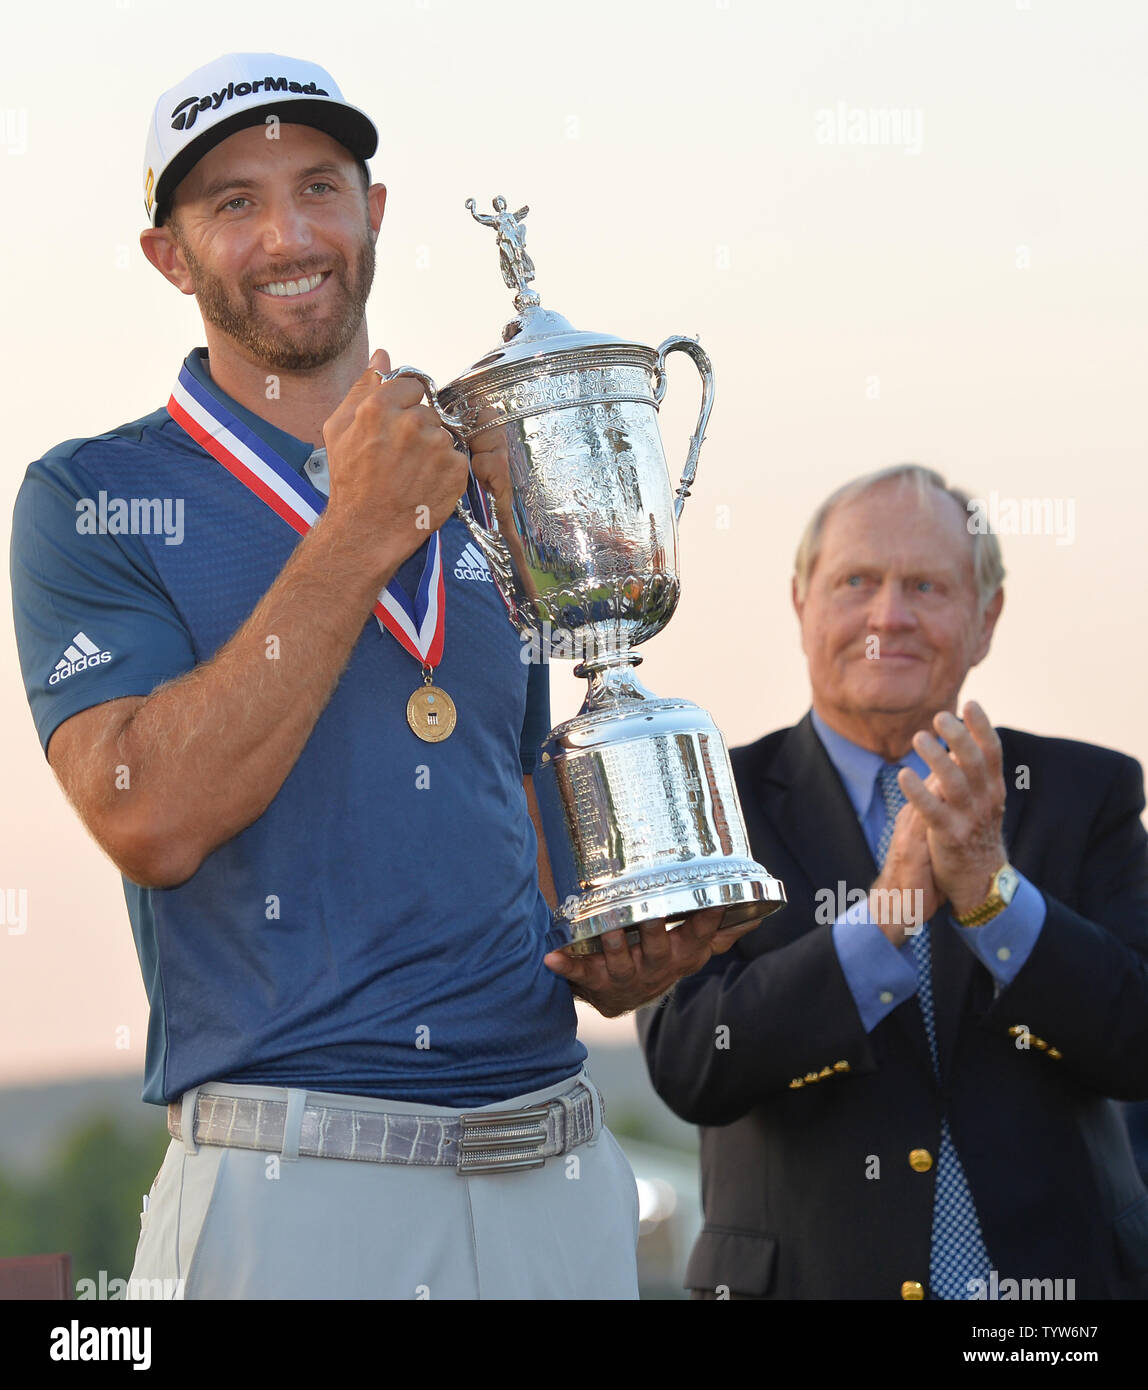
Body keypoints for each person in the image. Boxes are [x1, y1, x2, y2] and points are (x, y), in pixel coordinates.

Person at [9, 51, 746, 1300]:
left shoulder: (486, 465)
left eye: (318, 187)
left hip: (556, 1166)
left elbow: (506, 780)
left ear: (375, 212)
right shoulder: (93, 496)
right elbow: (147, 813)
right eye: (233, 203)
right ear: (168, 256)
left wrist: (604, 929)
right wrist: (354, 530)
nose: (289, 233)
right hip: (296, 1188)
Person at [639, 464, 1148, 1300]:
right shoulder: (707, 803)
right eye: (856, 582)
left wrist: (993, 895)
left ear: (986, 619)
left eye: (926, 585)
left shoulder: (1085, 794)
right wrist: (883, 921)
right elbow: (692, 1061)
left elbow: (1136, 1040)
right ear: (801, 604)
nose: (889, 617)